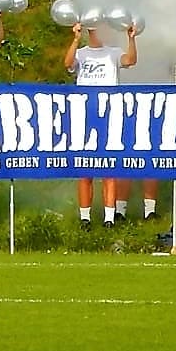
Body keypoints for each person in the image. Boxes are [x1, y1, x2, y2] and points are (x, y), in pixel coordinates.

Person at [68, 19, 137, 226]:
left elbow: (130, 60)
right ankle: (85, 218)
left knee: (109, 168)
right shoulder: (81, 53)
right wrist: (75, 39)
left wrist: (131, 39)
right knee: (84, 169)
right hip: (84, 115)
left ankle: (109, 217)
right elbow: (67, 64)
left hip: (109, 114)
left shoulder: (113, 52)